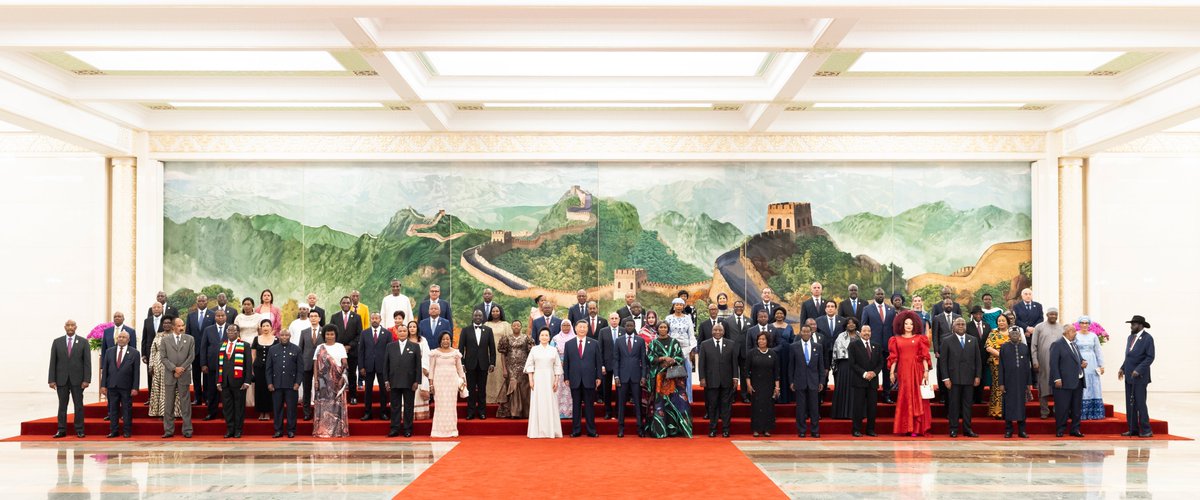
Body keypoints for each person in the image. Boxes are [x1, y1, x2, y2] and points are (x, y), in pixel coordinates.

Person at [888, 310, 932, 437]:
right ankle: (906, 427)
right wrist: (892, 372)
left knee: (917, 397)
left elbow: (924, 356)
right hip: (903, 371)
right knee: (905, 396)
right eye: (906, 323)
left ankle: (917, 428)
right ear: (902, 324)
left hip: (917, 370)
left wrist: (926, 371)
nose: (908, 326)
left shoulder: (920, 338)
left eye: (911, 324)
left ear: (915, 325)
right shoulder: (895, 339)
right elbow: (894, 357)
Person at [647, 321, 692, 438]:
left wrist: (672, 360)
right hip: (660, 379)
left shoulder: (674, 342)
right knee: (661, 404)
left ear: (668, 329)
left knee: (676, 402)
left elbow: (680, 357)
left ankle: (675, 430)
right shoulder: (653, 343)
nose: (663, 329)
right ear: (658, 329)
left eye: (665, 327)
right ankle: (660, 431)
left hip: (674, 378)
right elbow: (650, 358)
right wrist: (662, 359)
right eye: (661, 327)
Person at [939, 318, 982, 438]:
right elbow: (943, 362)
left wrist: (978, 376)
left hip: (969, 379)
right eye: (958, 324)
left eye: (963, 324)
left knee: (968, 405)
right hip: (953, 379)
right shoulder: (947, 340)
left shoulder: (972, 340)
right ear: (953, 326)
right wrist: (946, 378)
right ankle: (953, 429)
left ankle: (968, 429)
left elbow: (978, 360)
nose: (961, 326)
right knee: (954, 405)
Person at [49, 320, 91, 438]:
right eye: (68, 325)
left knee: (78, 405)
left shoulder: (83, 342)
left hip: (78, 380)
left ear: (76, 327)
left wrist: (86, 379)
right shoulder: (57, 342)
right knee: (62, 405)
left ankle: (79, 429)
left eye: (72, 325)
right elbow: (53, 362)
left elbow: (87, 363)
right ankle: (61, 429)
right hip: (61, 379)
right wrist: (51, 379)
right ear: (64, 327)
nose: (70, 327)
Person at [699, 322, 739, 438]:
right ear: (712, 331)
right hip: (711, 381)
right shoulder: (705, 344)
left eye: (720, 330)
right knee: (712, 406)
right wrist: (702, 378)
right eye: (715, 330)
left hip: (727, 381)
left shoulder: (731, 344)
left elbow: (734, 363)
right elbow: (702, 363)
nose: (717, 332)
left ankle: (726, 430)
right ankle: (713, 429)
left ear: (723, 331)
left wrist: (735, 377)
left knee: (726, 406)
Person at [562, 320, 602, 437]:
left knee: (590, 406)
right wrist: (566, 377)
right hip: (574, 379)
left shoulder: (594, 343)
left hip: (589, 379)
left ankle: (591, 430)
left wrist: (599, 376)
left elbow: (598, 362)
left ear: (587, 329)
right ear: (575, 328)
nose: (582, 329)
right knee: (576, 406)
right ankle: (576, 430)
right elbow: (566, 363)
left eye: (584, 327)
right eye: (580, 327)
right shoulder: (569, 344)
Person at [384, 322, 423, 437]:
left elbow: (418, 365)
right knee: (395, 406)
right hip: (394, 381)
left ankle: (407, 429)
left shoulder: (415, 346)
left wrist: (417, 381)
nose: (402, 333)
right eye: (400, 331)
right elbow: (386, 364)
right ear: (397, 332)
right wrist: (386, 380)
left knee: (408, 406)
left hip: (410, 382)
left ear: (407, 332)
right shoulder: (390, 346)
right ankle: (395, 429)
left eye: (404, 331)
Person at [1119, 315, 1155, 438]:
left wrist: (1138, 370)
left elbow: (1150, 357)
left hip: (1140, 377)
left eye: (1133, 324)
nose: (1131, 326)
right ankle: (1132, 429)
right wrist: (1122, 368)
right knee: (1130, 404)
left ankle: (1146, 430)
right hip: (1129, 376)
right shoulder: (1130, 337)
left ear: (1140, 325)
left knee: (1140, 403)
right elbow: (1129, 356)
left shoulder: (1148, 338)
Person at [160, 317, 195, 439]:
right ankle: (168, 430)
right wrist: (174, 369)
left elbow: (191, 357)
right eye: (179, 326)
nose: (181, 328)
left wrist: (181, 369)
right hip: (170, 375)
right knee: (168, 404)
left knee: (185, 403)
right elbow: (163, 357)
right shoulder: (165, 340)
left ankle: (187, 430)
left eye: (183, 325)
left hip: (184, 374)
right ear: (173, 327)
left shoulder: (190, 339)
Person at [1049, 323, 1087, 438]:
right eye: (1073, 331)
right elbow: (1053, 363)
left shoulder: (1074, 345)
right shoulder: (1057, 344)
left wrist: (1083, 362)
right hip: (1063, 382)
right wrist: (1057, 378)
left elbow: (1078, 360)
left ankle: (1075, 429)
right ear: (1066, 332)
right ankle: (1060, 429)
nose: (1075, 333)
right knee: (1062, 407)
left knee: (1076, 408)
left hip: (1078, 381)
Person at [526, 328, 564, 439]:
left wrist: (556, 381)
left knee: (550, 403)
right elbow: (530, 365)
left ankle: (551, 430)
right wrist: (531, 380)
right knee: (538, 403)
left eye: (546, 335)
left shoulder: (553, 350)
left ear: (549, 337)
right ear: (538, 337)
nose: (544, 337)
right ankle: (536, 431)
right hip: (537, 379)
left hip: (550, 379)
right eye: (542, 335)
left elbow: (557, 366)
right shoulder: (534, 350)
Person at [313, 324, 350, 438]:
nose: (329, 336)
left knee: (337, 405)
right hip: (323, 381)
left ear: (335, 335)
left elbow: (345, 364)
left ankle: (338, 430)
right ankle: (323, 431)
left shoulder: (340, 346)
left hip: (337, 380)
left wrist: (343, 378)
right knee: (323, 405)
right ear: (324, 335)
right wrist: (315, 380)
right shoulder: (319, 347)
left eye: (332, 334)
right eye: (327, 334)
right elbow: (315, 364)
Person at [611, 319, 646, 438]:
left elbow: (643, 360)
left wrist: (643, 376)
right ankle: (621, 428)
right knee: (621, 404)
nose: (630, 327)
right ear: (624, 327)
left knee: (638, 403)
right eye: (628, 325)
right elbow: (615, 360)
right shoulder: (619, 341)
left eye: (632, 325)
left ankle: (640, 428)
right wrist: (616, 376)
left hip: (636, 377)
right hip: (622, 377)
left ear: (634, 326)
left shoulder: (640, 340)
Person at [459, 309, 496, 420]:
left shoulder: (488, 330)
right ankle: (470, 412)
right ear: (473, 316)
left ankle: (482, 412)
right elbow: (461, 348)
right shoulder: (465, 330)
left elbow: (492, 348)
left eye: (480, 315)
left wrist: (492, 363)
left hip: (484, 364)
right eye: (476, 315)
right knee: (470, 389)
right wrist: (462, 363)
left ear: (483, 317)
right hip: (470, 364)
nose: (478, 317)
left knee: (482, 389)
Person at [101, 331, 139, 438]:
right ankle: (114, 431)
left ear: (128, 339)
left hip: (126, 386)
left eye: (124, 337)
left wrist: (135, 387)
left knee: (127, 409)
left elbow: (136, 372)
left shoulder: (134, 353)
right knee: (113, 410)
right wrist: (103, 385)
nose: (121, 339)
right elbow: (105, 370)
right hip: (112, 385)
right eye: (119, 337)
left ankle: (127, 431)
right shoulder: (109, 351)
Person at [215, 323, 251, 439]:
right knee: (227, 408)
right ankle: (230, 429)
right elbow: (218, 365)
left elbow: (248, 365)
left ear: (238, 333)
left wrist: (247, 381)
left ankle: (238, 430)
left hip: (239, 382)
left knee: (239, 407)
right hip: (224, 382)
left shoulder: (244, 345)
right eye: (229, 331)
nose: (230, 333)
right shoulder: (222, 345)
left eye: (233, 331)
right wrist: (218, 381)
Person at [789, 325, 825, 438]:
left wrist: (822, 381)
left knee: (814, 408)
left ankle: (815, 430)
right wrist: (791, 381)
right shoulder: (794, 346)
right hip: (799, 380)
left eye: (807, 331)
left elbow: (821, 366)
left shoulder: (818, 347)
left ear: (811, 333)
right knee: (801, 407)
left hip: (814, 381)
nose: (805, 333)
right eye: (803, 331)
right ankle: (802, 430)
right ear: (800, 332)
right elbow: (791, 366)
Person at [266, 327, 302, 438]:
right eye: (282, 335)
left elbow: (300, 368)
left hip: (291, 385)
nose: (284, 337)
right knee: (277, 409)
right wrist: (269, 383)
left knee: (291, 409)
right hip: (276, 385)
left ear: (290, 336)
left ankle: (291, 430)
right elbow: (268, 368)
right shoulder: (273, 349)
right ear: (279, 336)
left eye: (286, 335)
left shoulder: (296, 349)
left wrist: (297, 383)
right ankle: (278, 430)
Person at [429, 331, 466, 438]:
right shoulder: (434, 353)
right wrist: (431, 384)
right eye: (444, 339)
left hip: (452, 383)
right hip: (439, 382)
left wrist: (463, 382)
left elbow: (460, 370)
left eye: (448, 339)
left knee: (451, 406)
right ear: (440, 340)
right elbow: (431, 370)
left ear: (451, 340)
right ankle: (437, 431)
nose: (446, 341)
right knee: (440, 406)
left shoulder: (456, 353)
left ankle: (452, 430)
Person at [848, 325, 884, 437]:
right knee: (858, 407)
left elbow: (880, 363)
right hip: (859, 381)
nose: (866, 333)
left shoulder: (876, 346)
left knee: (872, 408)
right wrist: (864, 374)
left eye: (869, 331)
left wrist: (874, 373)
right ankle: (856, 429)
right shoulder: (853, 345)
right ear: (860, 332)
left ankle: (871, 429)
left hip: (873, 382)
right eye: (864, 331)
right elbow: (852, 363)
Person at [863, 287, 896, 403]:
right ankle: (872, 396)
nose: (880, 296)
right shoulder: (867, 309)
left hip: (888, 347)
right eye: (878, 294)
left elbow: (893, 329)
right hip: (873, 347)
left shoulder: (891, 310)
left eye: (882, 294)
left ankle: (886, 395)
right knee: (873, 372)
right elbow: (864, 327)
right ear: (874, 295)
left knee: (887, 373)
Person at [997, 327, 1032, 438]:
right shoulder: (1004, 347)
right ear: (1009, 335)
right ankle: (1008, 430)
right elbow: (1001, 366)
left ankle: (1022, 431)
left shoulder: (1025, 347)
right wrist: (1001, 383)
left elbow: (1028, 366)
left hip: (1021, 382)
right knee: (1009, 406)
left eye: (1017, 333)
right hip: (1008, 382)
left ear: (1020, 335)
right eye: (1012, 333)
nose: (1015, 335)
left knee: (1021, 406)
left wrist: (1028, 383)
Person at [1030, 307, 1065, 419]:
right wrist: (1035, 361)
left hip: (1059, 364)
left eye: (1055, 314)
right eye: (1051, 314)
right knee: (1043, 387)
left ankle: (1056, 411)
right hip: (1043, 363)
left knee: (1058, 388)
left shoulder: (1062, 328)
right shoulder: (1039, 327)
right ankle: (1044, 411)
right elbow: (1033, 346)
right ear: (1047, 315)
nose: (1053, 316)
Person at [497, 317, 534, 419]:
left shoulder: (527, 338)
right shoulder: (506, 338)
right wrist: (504, 368)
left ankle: (523, 412)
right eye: (514, 325)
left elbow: (531, 354)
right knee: (512, 387)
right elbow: (503, 354)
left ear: (521, 327)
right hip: (510, 367)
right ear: (511, 327)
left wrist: (530, 368)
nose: (516, 327)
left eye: (518, 325)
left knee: (523, 389)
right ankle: (512, 412)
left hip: (523, 367)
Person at [199, 309, 232, 421]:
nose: (220, 317)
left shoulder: (231, 329)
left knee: (226, 392)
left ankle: (226, 413)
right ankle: (211, 413)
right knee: (212, 391)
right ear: (215, 317)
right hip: (212, 366)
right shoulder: (208, 330)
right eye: (218, 315)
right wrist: (203, 364)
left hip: (227, 366)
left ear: (226, 317)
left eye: (222, 315)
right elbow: (203, 347)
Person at [745, 331, 779, 437]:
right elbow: (746, 371)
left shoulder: (773, 354)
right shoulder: (751, 353)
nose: (761, 341)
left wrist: (777, 387)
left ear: (768, 341)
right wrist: (748, 385)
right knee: (756, 407)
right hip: (756, 384)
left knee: (768, 407)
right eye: (759, 339)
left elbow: (776, 372)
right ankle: (756, 429)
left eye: (763, 339)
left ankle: (767, 429)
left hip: (769, 384)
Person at [359, 313, 392, 421]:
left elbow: (389, 352)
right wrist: (361, 366)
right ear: (370, 320)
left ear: (380, 319)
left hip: (382, 366)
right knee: (368, 390)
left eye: (376, 318)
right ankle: (367, 413)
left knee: (383, 390)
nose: (374, 320)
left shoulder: (387, 333)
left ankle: (383, 413)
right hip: (368, 366)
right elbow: (361, 351)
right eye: (372, 318)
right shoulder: (364, 333)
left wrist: (388, 366)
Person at [331, 296, 363, 404]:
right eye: (343, 302)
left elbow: (359, 334)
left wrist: (349, 346)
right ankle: (336, 396)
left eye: (348, 303)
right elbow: (332, 333)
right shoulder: (334, 317)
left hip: (352, 351)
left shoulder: (357, 317)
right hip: (337, 352)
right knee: (336, 374)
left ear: (351, 304)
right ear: (340, 304)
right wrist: (340, 348)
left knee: (352, 374)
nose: (346, 304)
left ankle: (353, 396)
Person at [100, 312, 137, 407]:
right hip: (111, 367)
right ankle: (110, 414)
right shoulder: (107, 331)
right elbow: (104, 349)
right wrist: (103, 366)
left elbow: (133, 349)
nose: (117, 318)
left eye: (119, 316)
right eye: (115, 316)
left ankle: (124, 416)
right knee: (111, 398)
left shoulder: (130, 331)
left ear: (123, 318)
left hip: (125, 369)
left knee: (125, 401)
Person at [147, 316, 180, 420]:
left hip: (172, 366)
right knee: (159, 390)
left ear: (172, 325)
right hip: (158, 366)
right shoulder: (158, 336)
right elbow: (153, 351)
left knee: (172, 390)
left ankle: (172, 413)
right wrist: (151, 365)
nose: (166, 325)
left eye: (169, 323)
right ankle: (160, 413)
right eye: (164, 323)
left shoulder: (177, 336)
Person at [1074, 315, 1106, 420]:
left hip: (1092, 363)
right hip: (1080, 362)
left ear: (1089, 325)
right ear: (1079, 324)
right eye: (1082, 323)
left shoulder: (1093, 336)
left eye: (1086, 323)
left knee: (1093, 384)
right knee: (1083, 384)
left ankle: (1095, 413)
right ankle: (1082, 413)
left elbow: (1098, 351)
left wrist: (1101, 365)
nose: (1084, 325)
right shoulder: (1076, 335)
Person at [666, 298, 698, 402]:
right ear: (673, 306)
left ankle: (688, 398)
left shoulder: (688, 318)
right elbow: (667, 333)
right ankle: (673, 398)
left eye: (681, 305)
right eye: (677, 304)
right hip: (673, 349)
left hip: (686, 349)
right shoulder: (669, 318)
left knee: (686, 373)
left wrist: (692, 349)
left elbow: (691, 334)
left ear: (683, 306)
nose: (679, 306)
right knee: (673, 374)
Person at [830, 316, 859, 420]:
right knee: (843, 389)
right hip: (844, 366)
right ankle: (841, 413)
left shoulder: (860, 335)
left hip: (857, 367)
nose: (851, 325)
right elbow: (835, 352)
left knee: (855, 390)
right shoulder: (840, 336)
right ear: (845, 325)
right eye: (848, 323)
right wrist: (834, 368)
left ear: (856, 324)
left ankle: (855, 413)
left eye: (853, 323)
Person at [484, 305, 512, 406]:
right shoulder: (486, 324)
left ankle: (501, 398)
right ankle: (490, 398)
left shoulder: (505, 325)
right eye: (493, 311)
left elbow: (510, 339)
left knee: (501, 376)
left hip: (502, 355)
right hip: (488, 354)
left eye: (497, 311)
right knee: (490, 376)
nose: (495, 313)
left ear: (500, 312)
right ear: (490, 313)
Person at [598, 312, 624, 419]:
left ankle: (619, 412)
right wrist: (602, 365)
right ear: (609, 320)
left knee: (620, 390)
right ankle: (608, 412)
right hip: (607, 365)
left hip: (621, 365)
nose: (614, 320)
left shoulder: (623, 330)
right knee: (606, 390)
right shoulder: (603, 331)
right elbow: (600, 350)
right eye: (612, 318)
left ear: (619, 319)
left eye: (616, 318)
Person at [405, 320, 432, 420]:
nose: (412, 328)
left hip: (420, 370)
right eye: (410, 327)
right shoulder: (405, 340)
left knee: (418, 392)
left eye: (414, 327)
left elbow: (426, 354)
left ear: (417, 329)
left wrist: (425, 367)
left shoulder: (422, 340)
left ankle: (420, 414)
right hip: (407, 371)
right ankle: (408, 415)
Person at [251, 318, 277, 421]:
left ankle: (268, 412)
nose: (265, 328)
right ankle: (261, 412)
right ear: (261, 328)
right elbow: (253, 355)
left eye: (267, 326)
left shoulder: (276, 339)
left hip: (272, 369)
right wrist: (252, 369)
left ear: (271, 327)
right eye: (264, 326)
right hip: (258, 368)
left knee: (269, 389)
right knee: (259, 389)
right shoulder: (256, 339)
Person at [298, 310, 322, 421]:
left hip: (321, 365)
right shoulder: (304, 332)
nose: (313, 318)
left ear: (319, 318)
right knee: (306, 390)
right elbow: (300, 349)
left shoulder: (324, 331)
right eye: (311, 316)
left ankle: (320, 412)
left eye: (315, 316)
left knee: (321, 389)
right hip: (306, 364)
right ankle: (307, 412)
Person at [966, 306, 992, 404]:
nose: (978, 315)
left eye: (980, 314)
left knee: (982, 377)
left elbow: (989, 340)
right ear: (972, 315)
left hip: (985, 356)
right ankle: (972, 398)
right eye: (976, 314)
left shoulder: (987, 325)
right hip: (971, 356)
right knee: (972, 377)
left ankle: (979, 398)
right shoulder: (968, 326)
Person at [141, 302, 166, 406]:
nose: (156, 309)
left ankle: (163, 399)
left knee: (163, 376)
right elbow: (144, 338)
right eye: (154, 307)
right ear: (152, 309)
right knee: (151, 375)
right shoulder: (147, 321)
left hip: (164, 353)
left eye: (158, 307)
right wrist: (143, 354)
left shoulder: (166, 321)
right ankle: (151, 398)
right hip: (150, 353)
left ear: (162, 309)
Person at [770, 307, 795, 404]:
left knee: (785, 373)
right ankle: (774, 396)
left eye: (781, 313)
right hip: (773, 353)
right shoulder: (770, 326)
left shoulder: (789, 327)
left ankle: (785, 397)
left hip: (786, 355)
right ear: (774, 315)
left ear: (784, 315)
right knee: (775, 374)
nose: (779, 315)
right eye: (777, 313)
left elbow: (792, 341)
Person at [552, 322, 576, 419]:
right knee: (558, 390)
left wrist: (568, 362)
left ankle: (569, 412)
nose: (566, 327)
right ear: (560, 327)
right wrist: (559, 362)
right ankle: (557, 412)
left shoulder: (575, 338)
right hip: (558, 367)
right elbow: (552, 352)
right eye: (563, 325)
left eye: (568, 325)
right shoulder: (555, 338)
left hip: (572, 368)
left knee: (570, 390)